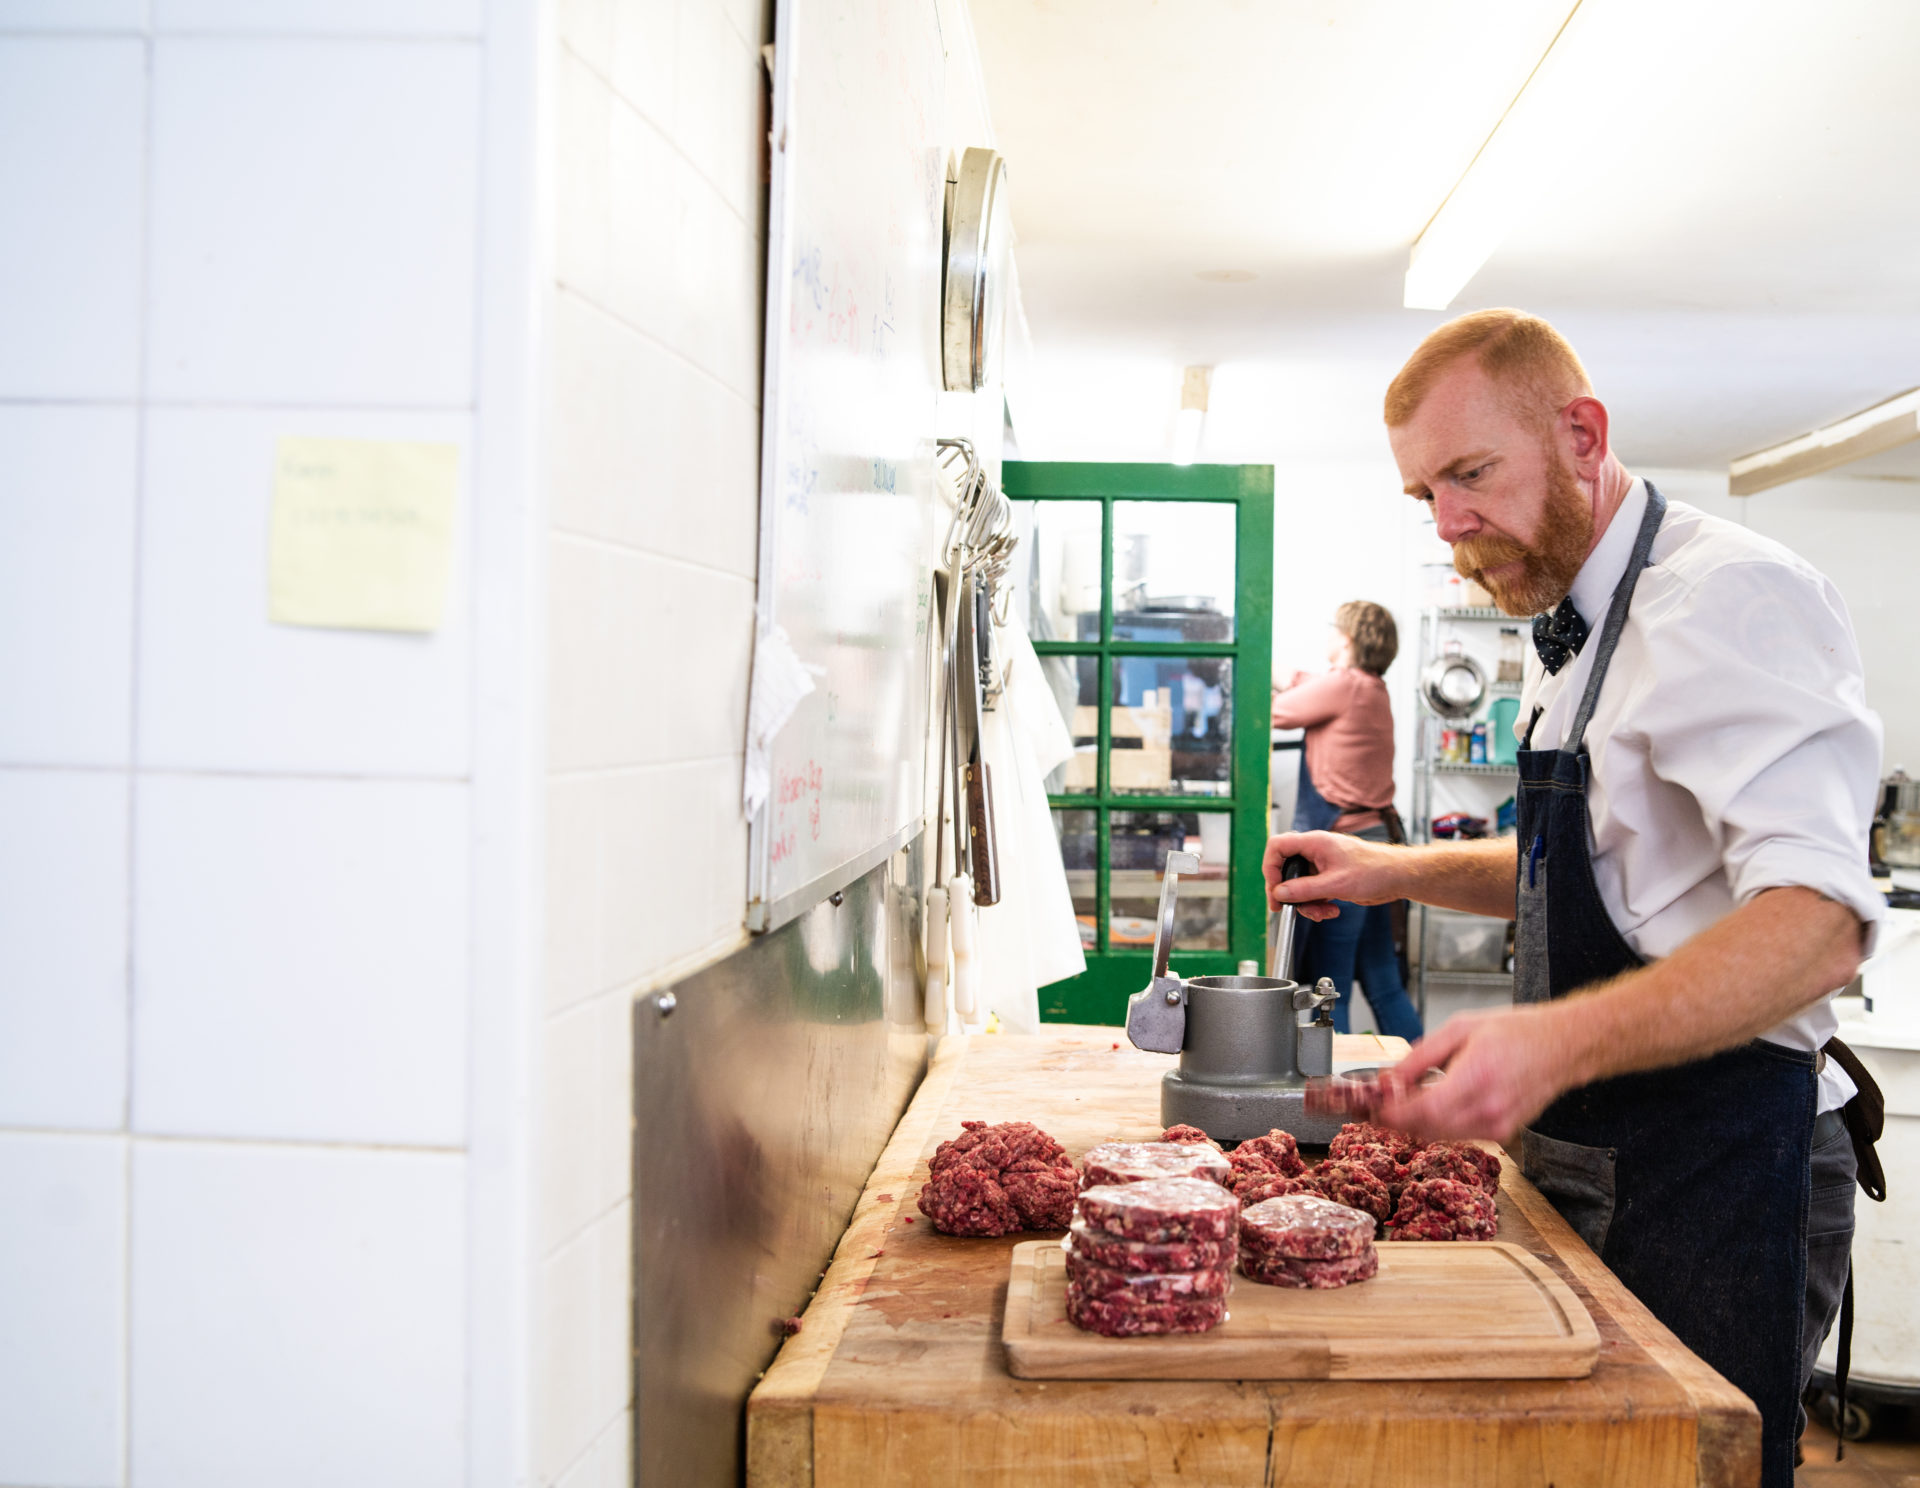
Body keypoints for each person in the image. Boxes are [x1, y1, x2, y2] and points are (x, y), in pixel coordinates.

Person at [1265, 310, 1881, 1488]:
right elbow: (1598, 863)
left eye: (1471, 474)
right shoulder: (1579, 634)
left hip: (1721, 1172)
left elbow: (1818, 920)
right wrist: (1393, 870)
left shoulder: (1729, 599)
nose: (1449, 527)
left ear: (1584, 436)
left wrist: (1551, 1042)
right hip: (1602, 1164)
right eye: (1423, 497)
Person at [1270, 601, 1423, 1041]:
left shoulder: (1343, 685)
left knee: (1329, 986)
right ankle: (1431, 1083)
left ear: (1346, 639)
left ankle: (1339, 1096)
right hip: (1380, 845)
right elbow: (1302, 684)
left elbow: (1279, 712)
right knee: (1384, 983)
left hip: (1345, 849)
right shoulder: (1370, 687)